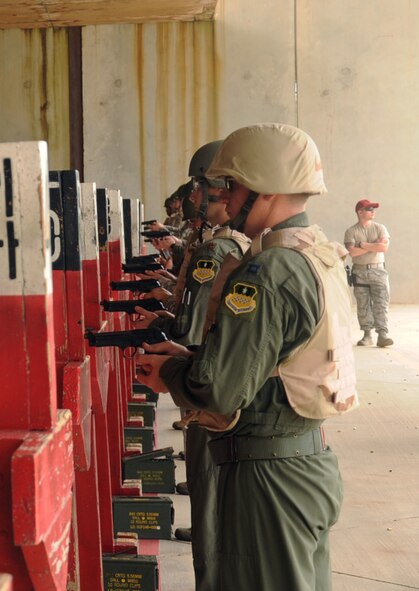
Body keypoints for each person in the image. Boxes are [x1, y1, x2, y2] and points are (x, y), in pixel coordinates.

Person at [136, 123, 358, 591]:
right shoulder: (318, 255)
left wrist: (172, 372)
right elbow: (277, 358)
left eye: (233, 187)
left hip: (268, 480)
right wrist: (194, 354)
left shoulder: (267, 271)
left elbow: (219, 391)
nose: (226, 200)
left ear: (266, 187)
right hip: (308, 463)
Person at [135, 141, 250, 591]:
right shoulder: (232, 246)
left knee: (206, 483)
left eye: (201, 189)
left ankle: (210, 568)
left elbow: (191, 322)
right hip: (209, 368)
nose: (195, 199)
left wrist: (175, 361)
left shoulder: (215, 250)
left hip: (205, 374)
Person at [344, 200, 392, 347]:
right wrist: (374, 246)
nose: (373, 211)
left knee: (381, 303)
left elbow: (383, 248)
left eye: (373, 209)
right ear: (360, 212)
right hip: (360, 271)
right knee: (363, 305)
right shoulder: (351, 231)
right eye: (369, 209)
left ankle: (382, 335)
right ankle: (367, 335)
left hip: (378, 270)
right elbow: (352, 252)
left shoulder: (380, 228)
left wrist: (363, 245)